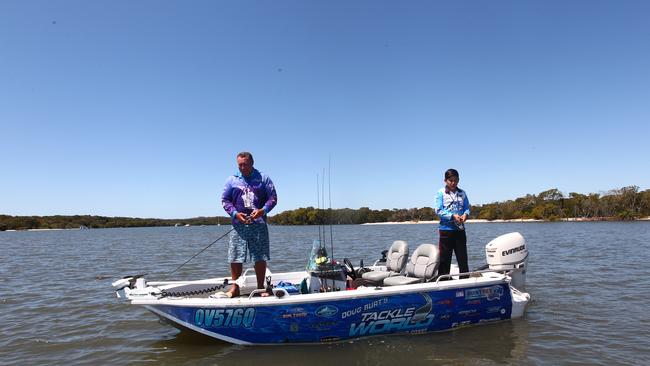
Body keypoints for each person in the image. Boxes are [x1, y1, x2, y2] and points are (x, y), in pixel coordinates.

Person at [221, 152, 277, 297]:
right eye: (240, 164)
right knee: (235, 256)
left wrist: (262, 211)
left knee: (260, 256)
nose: (243, 167)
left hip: (258, 223)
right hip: (238, 224)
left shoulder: (263, 178)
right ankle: (235, 288)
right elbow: (225, 200)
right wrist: (235, 214)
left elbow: (273, 198)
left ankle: (260, 287)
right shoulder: (231, 180)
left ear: (252, 163)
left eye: (245, 164)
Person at [435, 168, 470, 279]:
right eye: (451, 181)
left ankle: (465, 282)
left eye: (456, 180)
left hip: (460, 230)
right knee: (445, 259)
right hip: (446, 230)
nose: (453, 183)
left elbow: (467, 208)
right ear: (445, 181)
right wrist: (452, 216)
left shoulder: (462, 193)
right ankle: (443, 283)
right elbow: (438, 210)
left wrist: (465, 215)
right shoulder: (440, 193)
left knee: (463, 258)